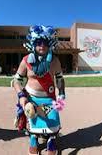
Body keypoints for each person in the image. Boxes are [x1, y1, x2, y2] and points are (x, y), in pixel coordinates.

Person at [11, 25, 66, 155]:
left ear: (50, 45)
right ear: (33, 44)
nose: (42, 46)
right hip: (31, 98)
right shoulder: (26, 61)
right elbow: (16, 81)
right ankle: (33, 138)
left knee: (53, 121)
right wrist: (21, 95)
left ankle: (51, 140)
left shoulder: (55, 61)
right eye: (38, 43)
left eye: (45, 43)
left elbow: (60, 79)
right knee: (33, 120)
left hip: (50, 98)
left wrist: (62, 93)